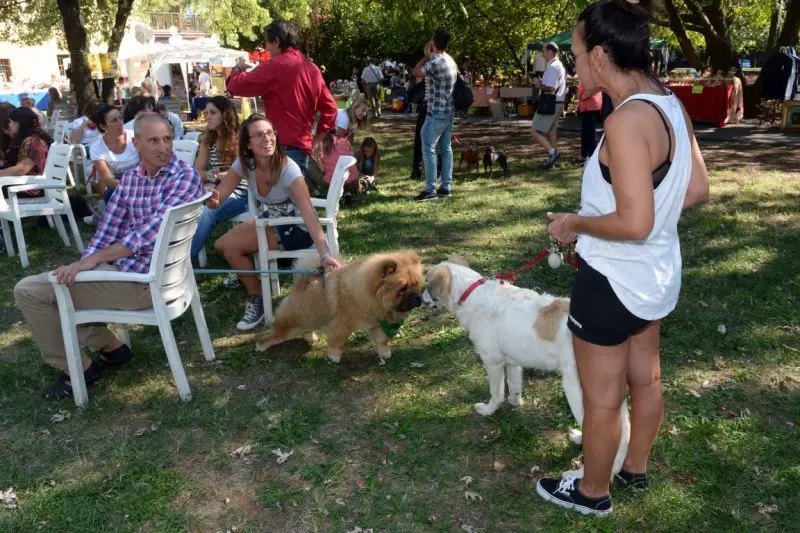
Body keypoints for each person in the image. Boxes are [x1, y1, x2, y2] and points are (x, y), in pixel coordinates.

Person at [537, 0, 709, 517]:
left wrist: (575, 223)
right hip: (654, 278)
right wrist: (641, 212)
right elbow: (696, 188)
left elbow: (634, 223)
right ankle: (635, 467)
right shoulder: (668, 103)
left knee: (603, 399)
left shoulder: (625, 122)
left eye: (576, 53)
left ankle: (592, 492)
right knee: (646, 378)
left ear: (603, 55)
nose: (573, 64)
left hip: (612, 280)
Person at [14, 113, 203, 401]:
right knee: (63, 282)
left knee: (29, 291)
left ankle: (76, 370)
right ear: (136, 143)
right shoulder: (130, 181)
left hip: (146, 284)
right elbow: (106, 231)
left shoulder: (184, 178)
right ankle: (111, 347)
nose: (163, 147)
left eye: (167, 139)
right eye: (153, 140)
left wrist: (94, 261)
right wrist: (84, 263)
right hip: (130, 275)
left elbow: (145, 235)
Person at [211, 115, 343, 330]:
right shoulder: (245, 165)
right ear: (248, 144)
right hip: (271, 220)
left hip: (296, 227)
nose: (267, 139)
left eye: (270, 133)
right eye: (259, 135)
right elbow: (218, 198)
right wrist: (211, 197)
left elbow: (309, 212)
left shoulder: (288, 169)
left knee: (231, 248)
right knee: (221, 246)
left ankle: (257, 298)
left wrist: (325, 254)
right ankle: (251, 277)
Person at [226, 20, 338, 178]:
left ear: (277, 42)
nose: (266, 48)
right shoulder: (312, 68)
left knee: (277, 200)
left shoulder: (275, 66)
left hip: (280, 148)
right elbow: (331, 108)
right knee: (293, 199)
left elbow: (235, 86)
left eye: (267, 43)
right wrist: (319, 138)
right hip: (301, 147)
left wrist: (237, 68)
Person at [190, 96, 242, 266]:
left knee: (208, 213)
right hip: (217, 188)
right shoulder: (208, 138)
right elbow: (197, 172)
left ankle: (184, 261)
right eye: (206, 113)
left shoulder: (239, 137)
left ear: (225, 114)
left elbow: (240, 173)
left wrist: (212, 175)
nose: (208, 117)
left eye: (213, 112)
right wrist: (218, 176)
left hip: (242, 192)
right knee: (183, 206)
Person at [413, 29, 458, 201]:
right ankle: (445, 187)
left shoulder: (434, 61)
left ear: (433, 42)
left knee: (428, 148)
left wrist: (426, 55)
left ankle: (430, 188)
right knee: (446, 149)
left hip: (435, 113)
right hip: (448, 111)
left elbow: (416, 72)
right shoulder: (450, 60)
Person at [89, 104, 140, 203]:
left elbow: (148, 164)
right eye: (114, 120)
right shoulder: (96, 147)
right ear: (103, 126)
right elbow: (107, 179)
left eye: (120, 118)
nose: (120, 123)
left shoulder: (135, 137)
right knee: (114, 195)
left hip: (140, 178)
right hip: (117, 184)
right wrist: (130, 189)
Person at [0, 107, 52, 200]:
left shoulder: (33, 142)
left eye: (11, 122)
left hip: (32, 188)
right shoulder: (32, 139)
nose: (9, 125)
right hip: (26, 184)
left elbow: (20, 170)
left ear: (18, 124)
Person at [532, 42, 567, 169]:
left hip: (550, 102)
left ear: (551, 51)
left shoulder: (553, 67)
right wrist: (541, 82)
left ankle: (553, 153)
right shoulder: (557, 65)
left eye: (544, 50)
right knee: (552, 132)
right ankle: (553, 161)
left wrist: (538, 85)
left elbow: (551, 88)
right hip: (557, 102)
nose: (542, 53)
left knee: (535, 130)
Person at [577, 82, 603, 163]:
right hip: (587, 106)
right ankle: (584, 154)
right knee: (585, 132)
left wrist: (585, 95)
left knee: (590, 133)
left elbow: (593, 87)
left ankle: (592, 156)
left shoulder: (590, 74)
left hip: (590, 105)